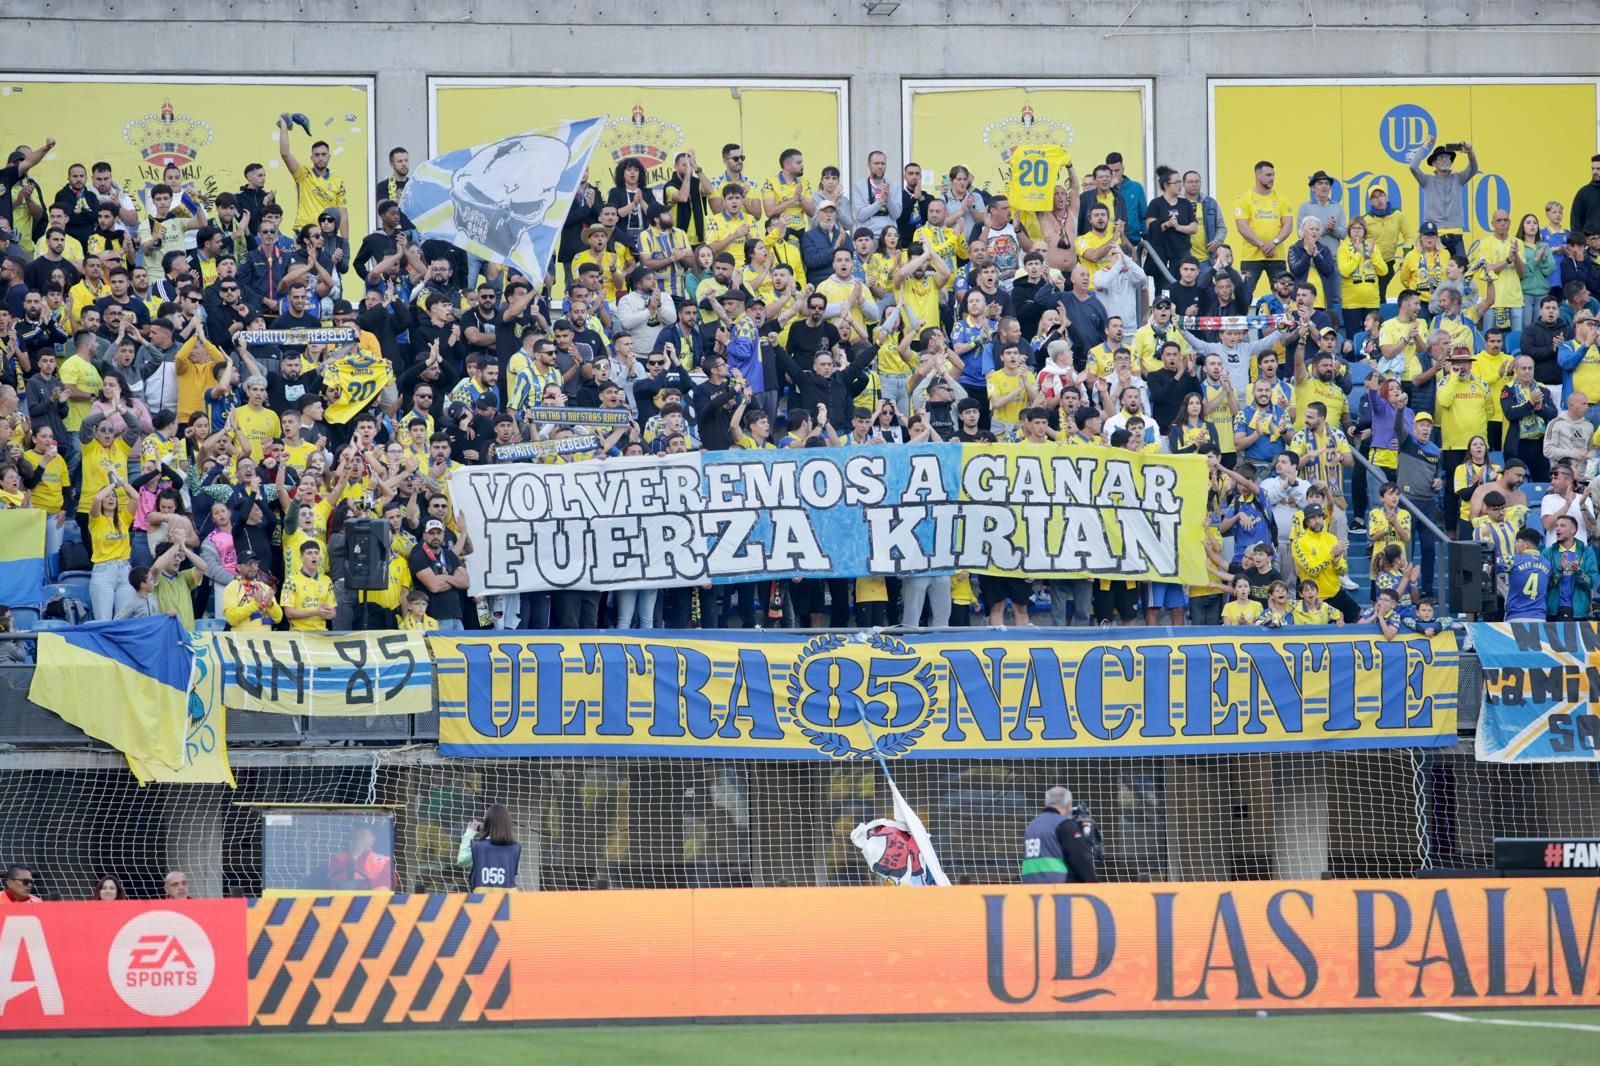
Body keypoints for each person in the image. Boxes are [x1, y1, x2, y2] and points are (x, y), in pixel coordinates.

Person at [1019, 785, 1097, 884]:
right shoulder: (1063, 824)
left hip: (1030, 889)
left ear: (1046, 803)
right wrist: (1094, 884)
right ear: (1069, 804)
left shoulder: (1032, 825)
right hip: (1057, 890)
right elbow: (1080, 859)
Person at [1543, 514, 1598, 621]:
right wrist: (1559, 570)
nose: (1557, 528)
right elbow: (1544, 585)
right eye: (1557, 525)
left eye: (1562, 526)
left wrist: (1577, 571)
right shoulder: (1547, 553)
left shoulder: (1586, 552)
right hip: (1554, 611)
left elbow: (1590, 584)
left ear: (1573, 530)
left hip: (1579, 612)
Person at [457, 803, 521, 890]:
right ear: (508, 824)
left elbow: (462, 860)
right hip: (509, 899)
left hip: (483, 899)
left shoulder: (478, 847)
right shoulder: (515, 848)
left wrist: (469, 833)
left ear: (487, 823)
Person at [326, 825, 393, 890]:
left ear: (372, 840)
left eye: (363, 837)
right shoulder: (338, 858)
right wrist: (353, 858)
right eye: (355, 837)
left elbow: (385, 886)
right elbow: (337, 882)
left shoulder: (385, 861)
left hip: (373, 899)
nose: (358, 841)